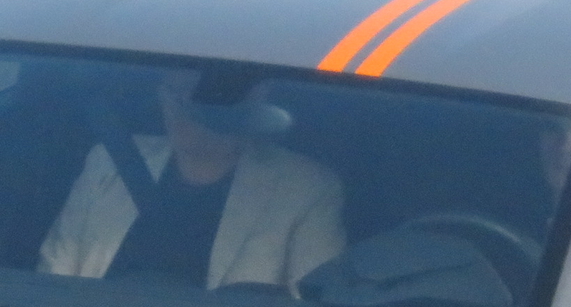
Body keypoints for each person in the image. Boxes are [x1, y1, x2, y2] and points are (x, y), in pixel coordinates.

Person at [37, 71, 344, 290]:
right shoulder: (109, 161)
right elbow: (54, 280)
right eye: (176, 94)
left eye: (205, 99)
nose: (186, 109)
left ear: (255, 99)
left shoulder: (304, 187)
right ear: (161, 97)